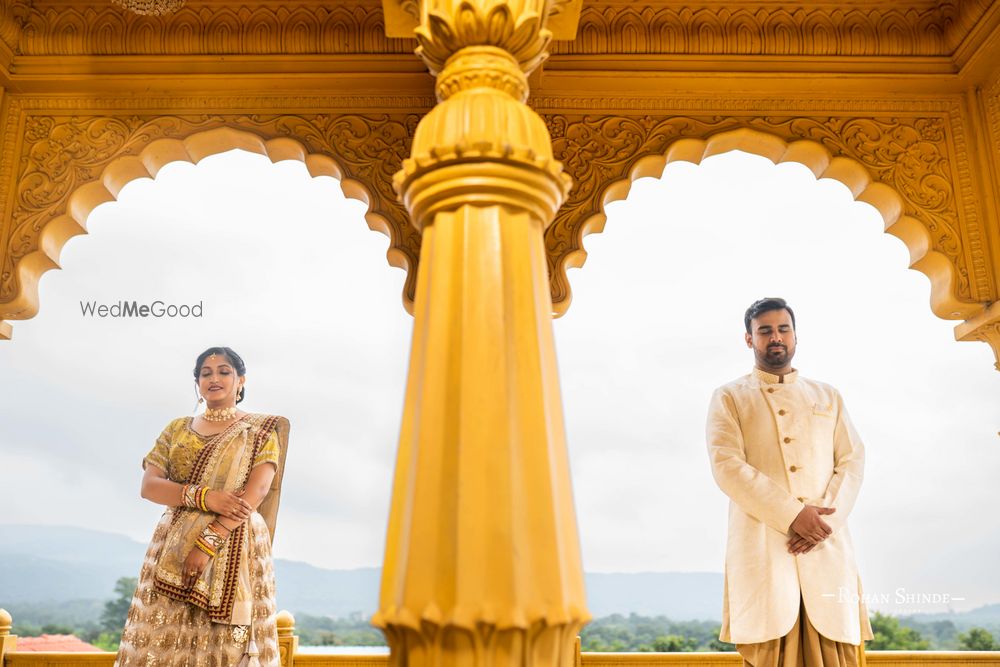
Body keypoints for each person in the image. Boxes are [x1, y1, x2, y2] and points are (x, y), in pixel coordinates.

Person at [706, 298, 873, 667]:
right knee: (770, 651)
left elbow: (851, 461)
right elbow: (727, 466)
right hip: (765, 547)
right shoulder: (730, 397)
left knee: (835, 652)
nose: (775, 337)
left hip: (824, 544)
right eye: (764, 331)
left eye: (783, 329)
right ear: (749, 340)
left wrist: (821, 524)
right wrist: (794, 515)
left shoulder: (828, 396)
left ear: (795, 336)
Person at [115, 347, 290, 667]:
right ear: (196, 383)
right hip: (174, 548)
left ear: (240, 381)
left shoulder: (261, 430)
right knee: (168, 636)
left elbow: (257, 491)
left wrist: (209, 541)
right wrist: (205, 497)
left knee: (229, 640)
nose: (214, 378)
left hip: (235, 540)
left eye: (224, 371)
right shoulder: (176, 429)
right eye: (206, 373)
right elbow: (150, 486)